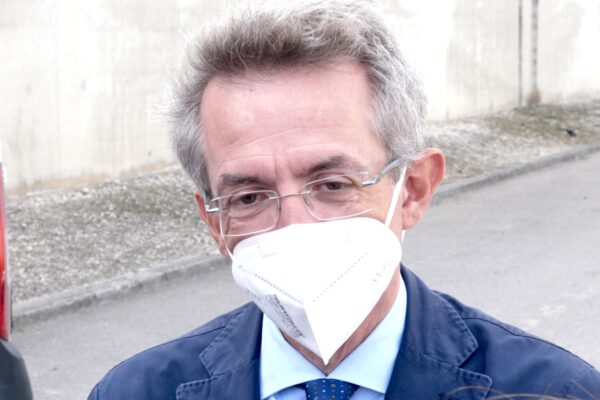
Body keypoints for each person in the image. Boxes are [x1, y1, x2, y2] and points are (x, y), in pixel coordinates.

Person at [88, 1, 600, 399]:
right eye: (250, 196)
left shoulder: (553, 389)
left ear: (413, 189)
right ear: (214, 223)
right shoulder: (137, 393)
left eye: (332, 185)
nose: (294, 226)